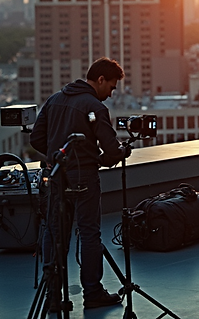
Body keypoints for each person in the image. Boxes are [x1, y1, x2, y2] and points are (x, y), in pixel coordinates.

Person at [30, 58, 127, 310]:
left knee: (54, 233)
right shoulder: (94, 106)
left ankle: (53, 296)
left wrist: (56, 155)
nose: (111, 93)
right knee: (89, 234)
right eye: (112, 87)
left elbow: (36, 138)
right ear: (101, 80)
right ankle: (92, 293)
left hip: (57, 176)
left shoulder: (54, 100)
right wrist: (112, 156)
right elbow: (111, 148)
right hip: (84, 178)